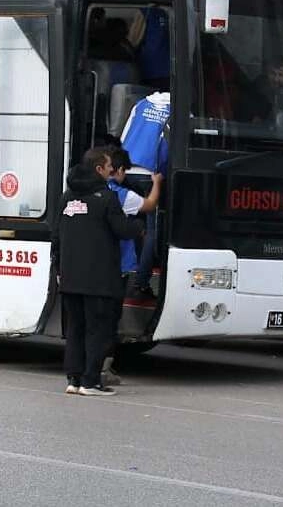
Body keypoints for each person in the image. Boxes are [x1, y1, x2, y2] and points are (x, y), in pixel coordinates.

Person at [51, 147, 143, 397]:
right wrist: (139, 226)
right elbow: (122, 229)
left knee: (75, 330)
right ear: (98, 169)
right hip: (99, 280)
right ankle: (90, 382)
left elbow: (56, 236)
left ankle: (74, 379)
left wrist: (59, 268)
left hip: (70, 278)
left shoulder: (67, 196)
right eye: (109, 166)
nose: (112, 170)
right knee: (97, 330)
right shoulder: (105, 197)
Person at [101, 147, 163, 386]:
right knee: (110, 318)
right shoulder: (121, 195)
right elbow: (149, 205)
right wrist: (156, 183)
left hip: (96, 264)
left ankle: (89, 369)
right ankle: (102, 368)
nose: (125, 174)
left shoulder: (82, 193)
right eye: (123, 170)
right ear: (115, 171)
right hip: (119, 265)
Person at [119, 91, 170, 298]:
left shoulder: (140, 104)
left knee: (123, 222)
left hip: (128, 169)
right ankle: (140, 283)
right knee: (152, 230)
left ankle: (122, 274)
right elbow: (168, 146)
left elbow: (124, 136)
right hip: (151, 173)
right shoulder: (178, 108)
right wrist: (162, 175)